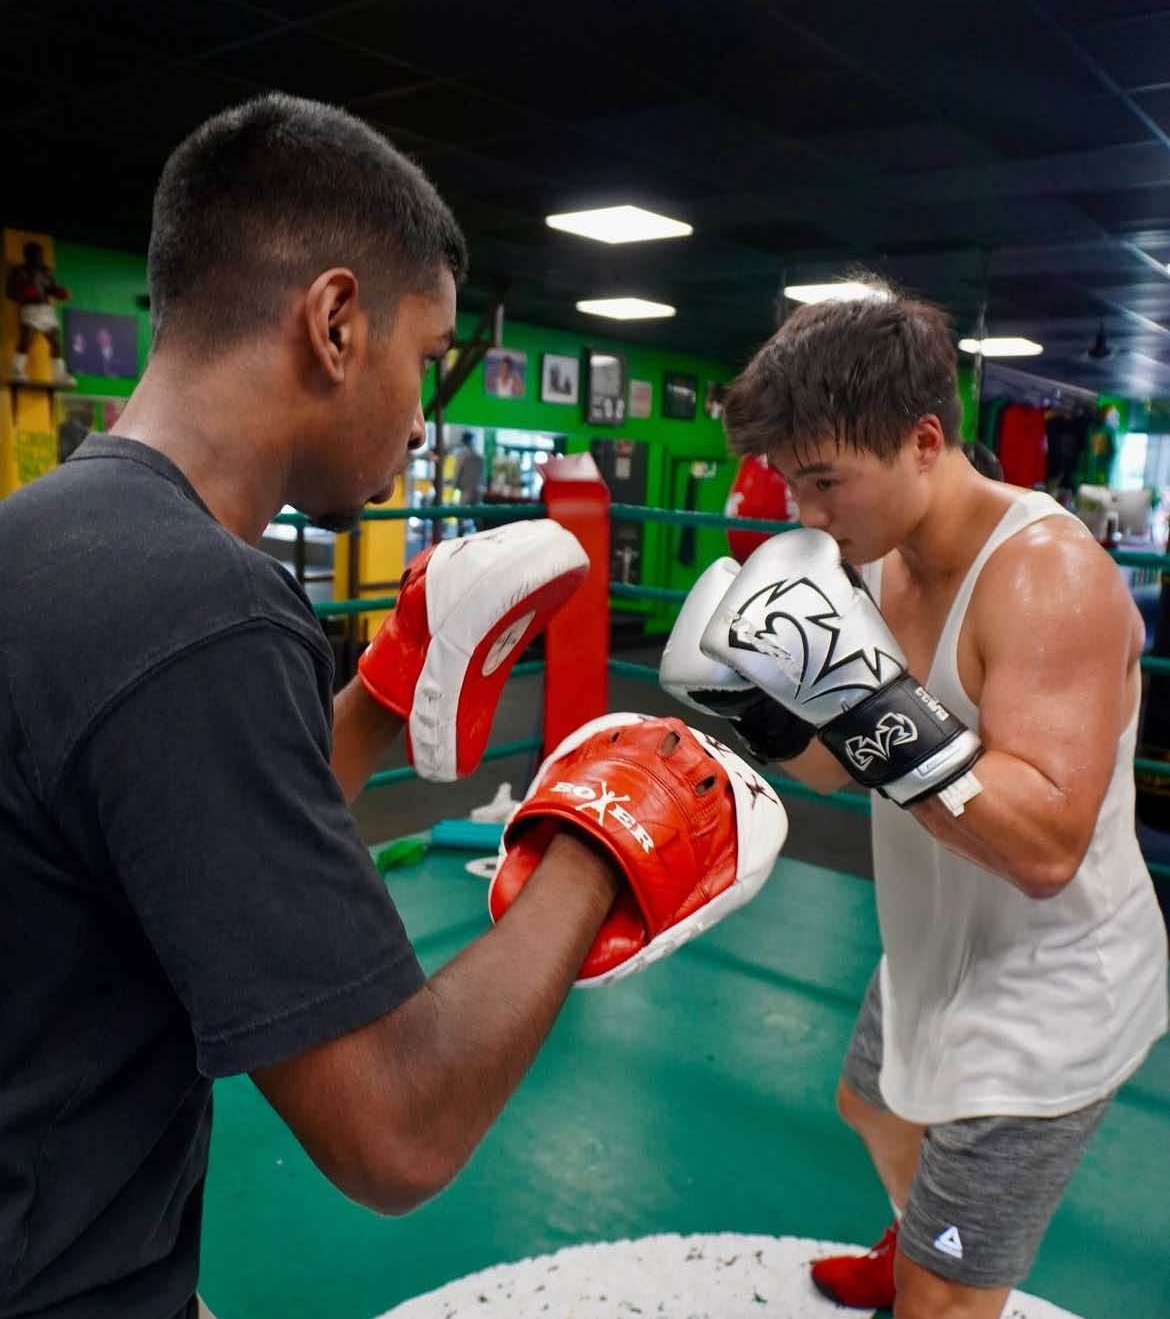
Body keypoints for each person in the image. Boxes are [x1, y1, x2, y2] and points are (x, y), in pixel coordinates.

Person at [0, 95, 787, 1319]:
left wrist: (376, 699)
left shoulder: (46, 531)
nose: (424, 418)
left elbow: (171, 850)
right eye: (425, 358)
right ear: (335, 324)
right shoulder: (208, 609)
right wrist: (605, 830)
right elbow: (398, 1128)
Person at [661, 277, 1168, 1318]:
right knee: (872, 1104)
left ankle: (932, 1273)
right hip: (933, 945)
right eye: (790, 484)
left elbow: (1045, 846)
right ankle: (915, 1237)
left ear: (924, 441)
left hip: (1047, 988)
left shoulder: (1049, 579)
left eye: (825, 481)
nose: (806, 515)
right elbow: (845, 768)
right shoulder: (879, 561)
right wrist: (761, 713)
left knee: (943, 1300)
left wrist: (862, 700)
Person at [5, 240, 75, 385]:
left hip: (46, 309)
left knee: (56, 341)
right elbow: (9, 292)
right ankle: (17, 371)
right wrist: (23, 293)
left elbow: (51, 288)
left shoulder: (46, 271)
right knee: (27, 338)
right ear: (27, 256)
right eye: (36, 256)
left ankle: (59, 375)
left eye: (40, 256)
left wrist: (58, 292)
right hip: (29, 308)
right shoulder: (19, 271)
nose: (39, 258)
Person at [453, 427, 484, 533]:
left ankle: (460, 534)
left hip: (465, 488)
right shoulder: (478, 454)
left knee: (461, 514)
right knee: (477, 516)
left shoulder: (462, 455)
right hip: (477, 488)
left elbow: (458, 470)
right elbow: (482, 474)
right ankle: (479, 533)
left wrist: (455, 485)